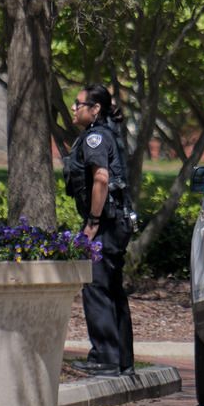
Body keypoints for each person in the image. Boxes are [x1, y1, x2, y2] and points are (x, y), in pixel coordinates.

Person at [64, 83, 135, 377]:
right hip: (116, 222)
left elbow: (101, 180)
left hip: (105, 223)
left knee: (96, 286)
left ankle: (105, 358)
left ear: (95, 110)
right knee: (112, 287)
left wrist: (92, 223)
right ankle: (122, 360)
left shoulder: (95, 138)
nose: (73, 108)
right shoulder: (107, 135)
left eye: (78, 104)